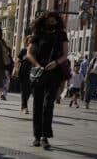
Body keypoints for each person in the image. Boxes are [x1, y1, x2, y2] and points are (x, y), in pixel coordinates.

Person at [26, 12, 68, 149]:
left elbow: (65, 55)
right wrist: (38, 65)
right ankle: (37, 137)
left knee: (48, 105)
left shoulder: (61, 34)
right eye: (50, 19)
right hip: (39, 72)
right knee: (37, 104)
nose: (52, 22)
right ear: (44, 20)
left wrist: (56, 63)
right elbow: (29, 53)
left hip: (54, 73)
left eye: (54, 20)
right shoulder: (38, 33)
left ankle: (45, 137)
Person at [17, 35, 32, 114]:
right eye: (29, 41)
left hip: (32, 73)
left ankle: (24, 104)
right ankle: (24, 106)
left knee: (29, 90)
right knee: (23, 89)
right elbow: (18, 59)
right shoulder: (23, 50)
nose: (31, 42)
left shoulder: (35, 51)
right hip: (23, 71)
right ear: (27, 42)